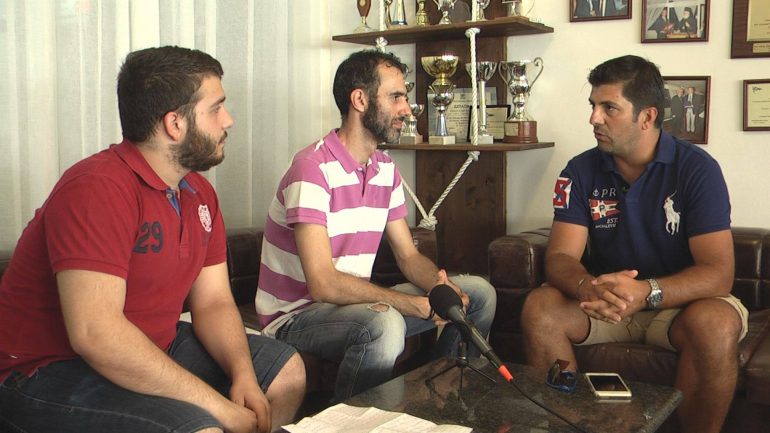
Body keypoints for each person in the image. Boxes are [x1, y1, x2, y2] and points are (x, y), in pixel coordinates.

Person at [0, 46, 305, 433]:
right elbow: (96, 335)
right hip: (47, 369)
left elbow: (212, 302)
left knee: (286, 373)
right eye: (216, 108)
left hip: (151, 344)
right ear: (174, 124)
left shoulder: (198, 192)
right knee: (203, 428)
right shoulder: (96, 188)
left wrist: (243, 373)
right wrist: (219, 407)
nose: (228, 119)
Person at [521, 55, 748, 433]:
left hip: (680, 307)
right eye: (593, 105)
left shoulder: (697, 169)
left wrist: (647, 292)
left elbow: (719, 273)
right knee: (540, 308)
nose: (594, 118)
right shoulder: (579, 169)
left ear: (647, 117)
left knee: (717, 322)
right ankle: (567, 424)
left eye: (609, 108)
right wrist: (588, 286)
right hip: (606, 303)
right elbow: (560, 256)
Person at [255, 49, 496, 402]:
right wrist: (408, 304)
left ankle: (437, 399)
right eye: (396, 97)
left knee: (478, 295)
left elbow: (408, 256)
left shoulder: (385, 169)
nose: (407, 109)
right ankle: (356, 421)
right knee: (384, 324)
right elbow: (322, 283)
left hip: (350, 305)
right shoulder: (312, 169)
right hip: (296, 317)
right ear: (360, 100)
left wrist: (440, 287)